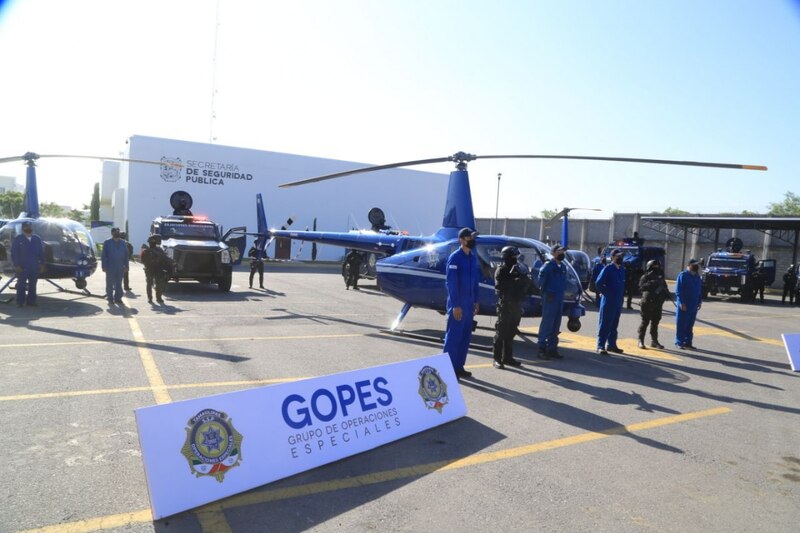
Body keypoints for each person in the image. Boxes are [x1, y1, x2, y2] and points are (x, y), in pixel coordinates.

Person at [443, 227, 480, 379]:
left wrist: (476, 300)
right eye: (469, 238)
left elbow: (475, 282)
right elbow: (451, 283)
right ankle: (447, 370)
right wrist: (456, 305)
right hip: (458, 303)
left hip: (469, 303)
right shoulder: (455, 257)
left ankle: (458, 367)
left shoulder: (473, 257)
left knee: (465, 337)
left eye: (473, 238)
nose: (472, 240)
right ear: (461, 240)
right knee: (453, 337)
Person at [492, 246, 531, 369]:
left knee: (511, 332)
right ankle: (497, 358)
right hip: (505, 305)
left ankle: (508, 357)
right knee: (501, 332)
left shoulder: (518, 269)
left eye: (516, 257)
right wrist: (515, 281)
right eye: (513, 257)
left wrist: (525, 282)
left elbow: (525, 285)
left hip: (516, 305)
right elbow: (499, 287)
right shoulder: (501, 270)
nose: (515, 259)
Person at [536, 244, 568, 360]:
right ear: (553, 253)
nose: (562, 254)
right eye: (559, 252)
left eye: (563, 252)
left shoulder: (563, 267)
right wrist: (545, 295)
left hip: (559, 298)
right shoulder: (548, 266)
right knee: (547, 324)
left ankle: (552, 348)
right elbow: (541, 283)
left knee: (556, 325)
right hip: (550, 297)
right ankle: (541, 349)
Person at [595, 248, 627, 355]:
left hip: (618, 301)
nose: (620, 258)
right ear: (612, 257)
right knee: (605, 323)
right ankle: (600, 346)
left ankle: (612, 345)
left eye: (621, 256)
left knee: (614, 324)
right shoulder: (608, 269)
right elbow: (598, 283)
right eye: (618, 256)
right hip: (608, 301)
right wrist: (606, 293)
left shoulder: (622, 269)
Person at [10, 221, 45, 307]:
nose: (28, 228)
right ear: (23, 228)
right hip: (22, 266)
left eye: (29, 227)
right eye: (26, 227)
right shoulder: (18, 239)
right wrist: (17, 265)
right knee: (21, 285)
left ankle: (31, 301)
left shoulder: (37, 239)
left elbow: (41, 252)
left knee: (33, 285)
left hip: (34, 266)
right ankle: (20, 302)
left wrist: (42, 264)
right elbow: (14, 253)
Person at [637, 259, 669, 349]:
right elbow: (640, 288)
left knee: (655, 323)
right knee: (645, 322)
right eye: (654, 268)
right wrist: (652, 283)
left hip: (658, 303)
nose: (656, 270)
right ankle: (640, 340)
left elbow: (665, 287)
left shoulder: (660, 277)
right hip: (647, 302)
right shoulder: (645, 277)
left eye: (657, 268)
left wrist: (666, 294)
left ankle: (654, 341)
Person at [675, 258, 703, 349]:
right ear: (689, 266)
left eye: (697, 265)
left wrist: (699, 302)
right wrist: (682, 302)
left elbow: (699, 290)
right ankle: (679, 342)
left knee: (690, 324)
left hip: (694, 304)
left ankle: (688, 342)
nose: (696, 267)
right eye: (694, 265)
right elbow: (679, 290)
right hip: (685, 304)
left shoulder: (697, 277)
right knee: (681, 324)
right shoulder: (683, 275)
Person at [102, 227, 129, 305]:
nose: (117, 233)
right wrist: (104, 266)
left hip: (120, 266)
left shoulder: (123, 242)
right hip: (110, 266)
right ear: (112, 233)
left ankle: (118, 298)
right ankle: (110, 298)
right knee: (109, 283)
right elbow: (104, 255)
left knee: (119, 283)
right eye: (115, 232)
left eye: (118, 232)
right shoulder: (107, 242)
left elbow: (126, 255)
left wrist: (126, 266)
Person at [141, 234, 172, 304]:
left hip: (158, 268)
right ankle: (150, 298)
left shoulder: (159, 250)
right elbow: (143, 260)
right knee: (149, 283)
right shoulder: (146, 250)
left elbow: (164, 259)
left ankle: (158, 297)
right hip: (149, 269)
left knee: (159, 284)